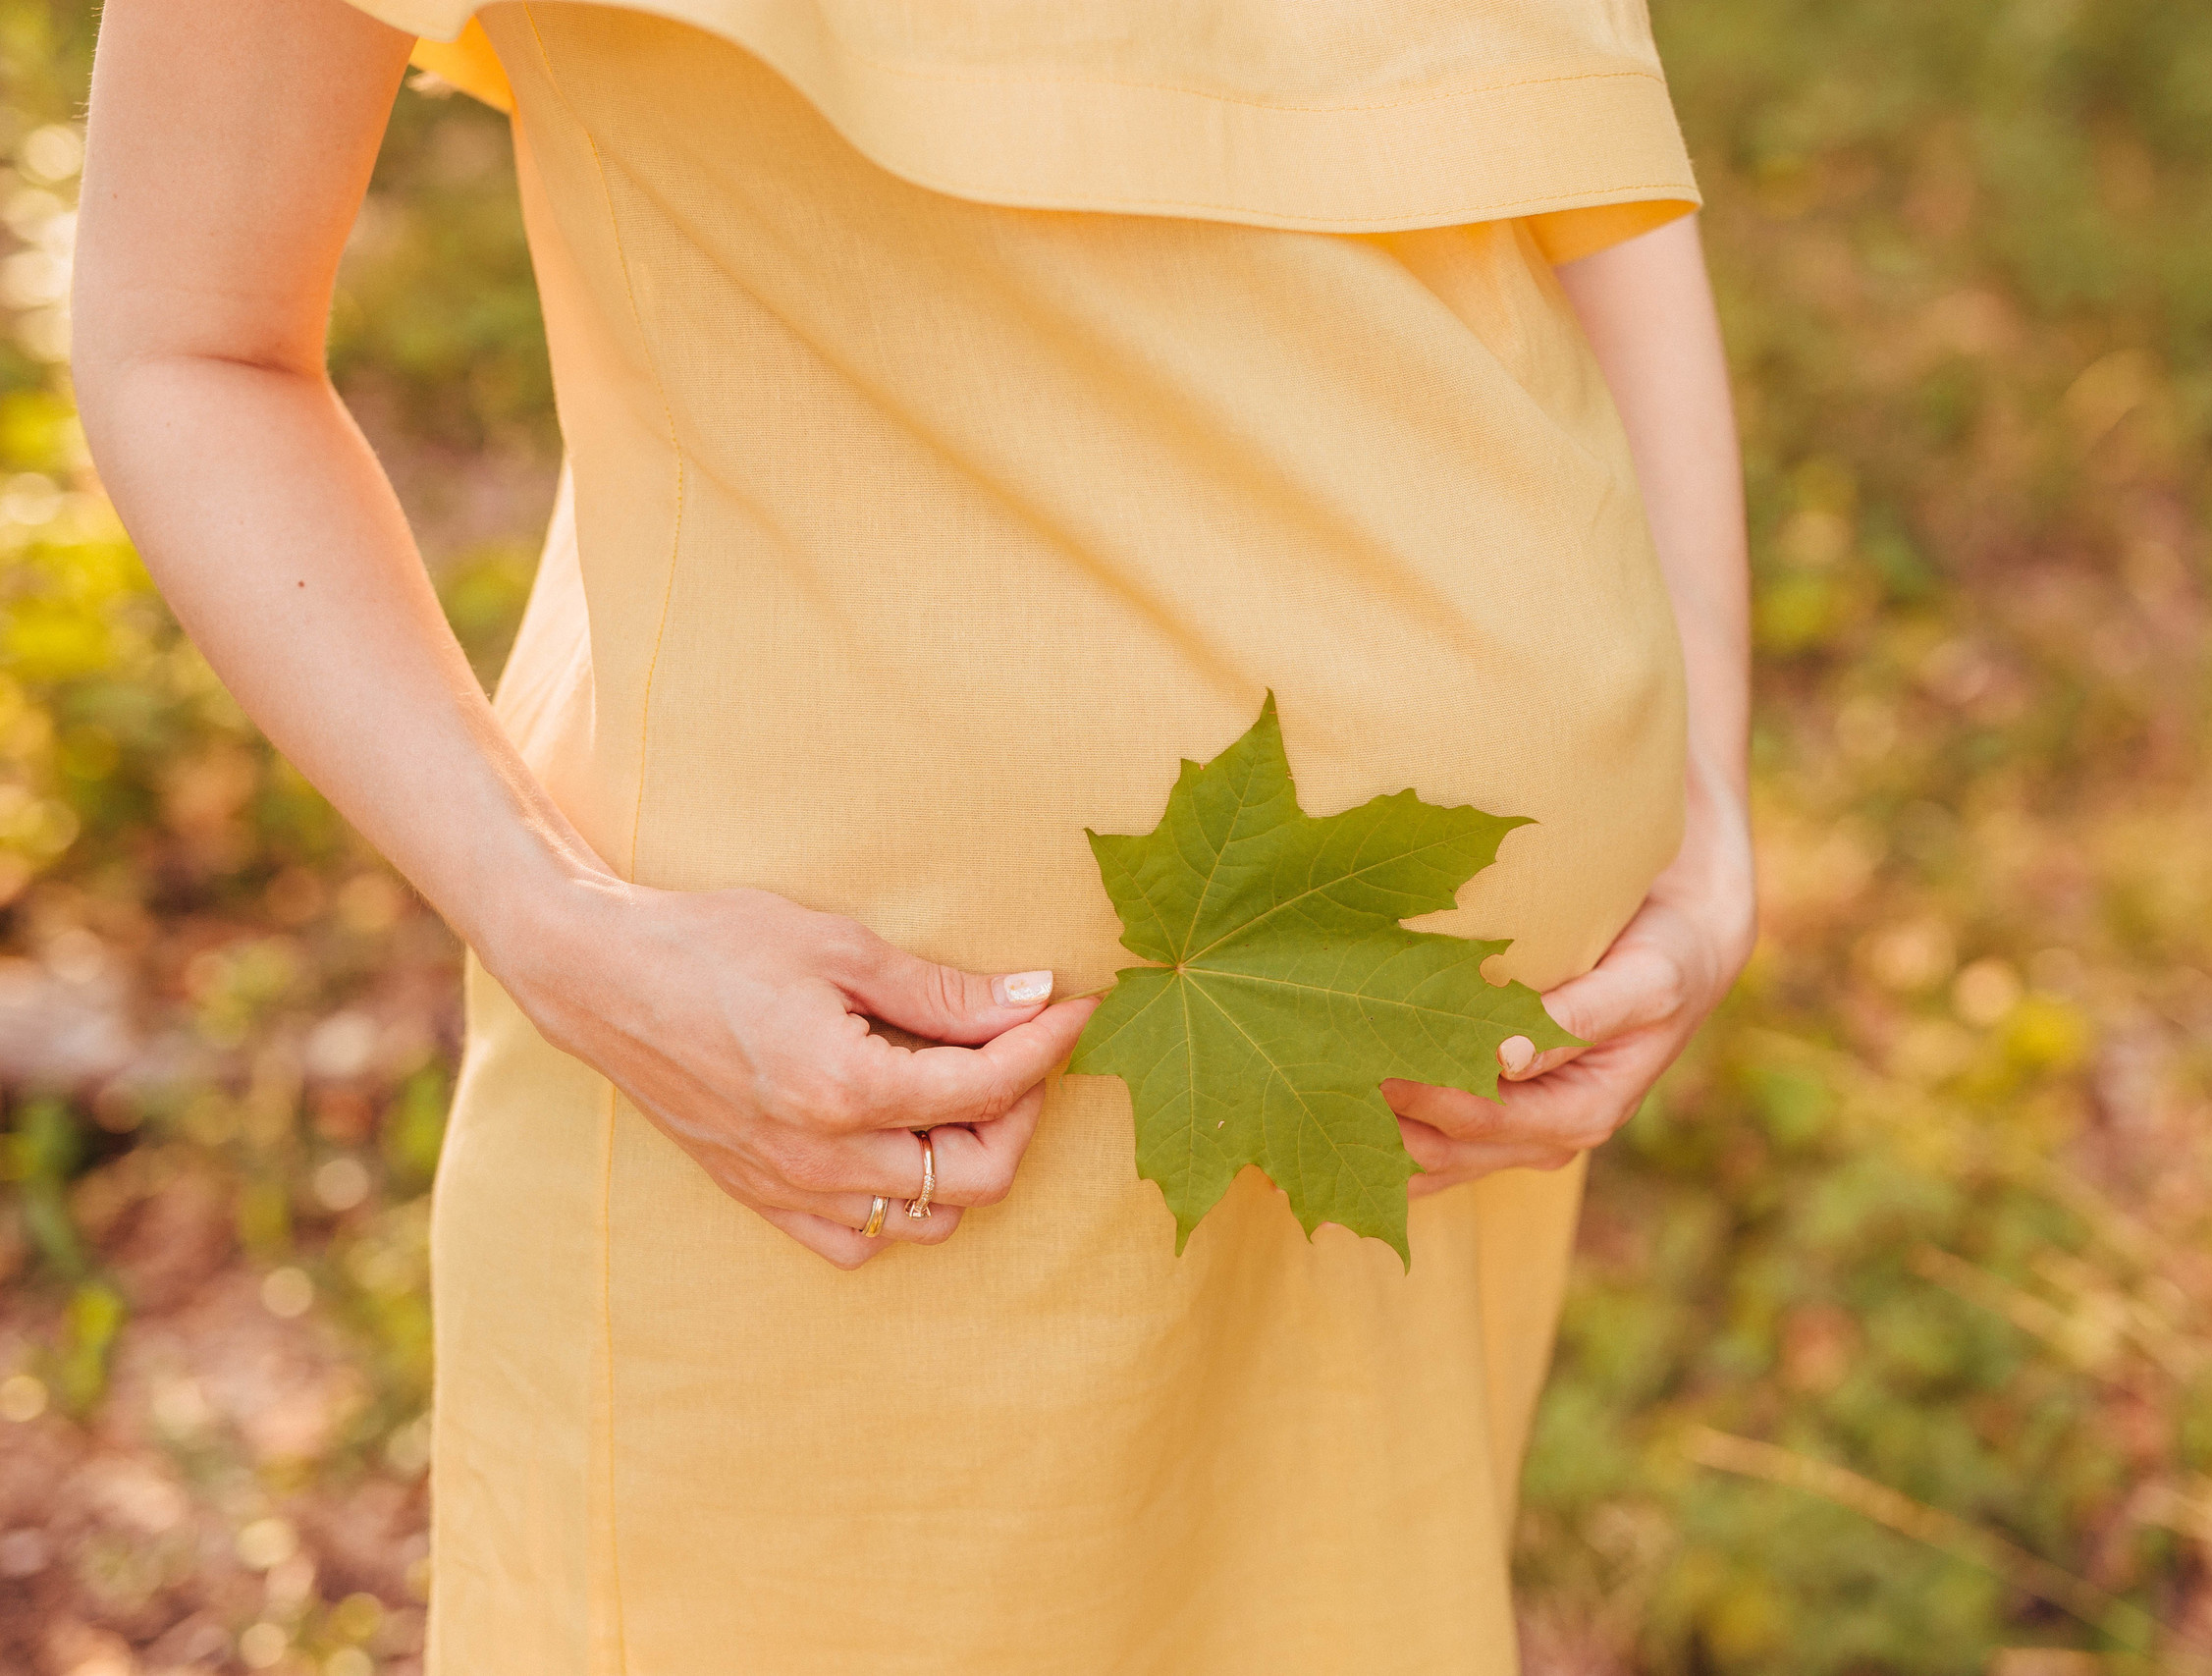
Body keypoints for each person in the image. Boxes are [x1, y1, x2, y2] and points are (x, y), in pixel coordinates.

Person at [73, 0, 1755, 1668]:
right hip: (826, 1140)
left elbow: (1596, 189)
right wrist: (552, 918)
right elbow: (187, 338)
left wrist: (1707, 800)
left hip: (1405, 1115)